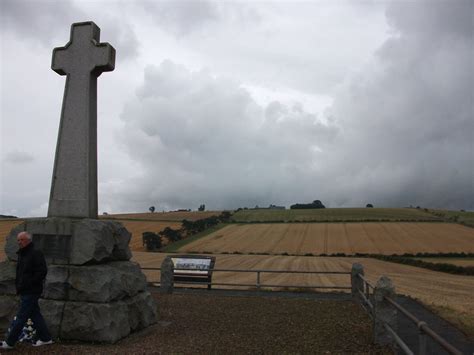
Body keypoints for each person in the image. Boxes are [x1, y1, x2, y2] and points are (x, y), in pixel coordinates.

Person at [1, 231, 53, 349]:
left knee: (21, 316)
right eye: (18, 240)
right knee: (35, 315)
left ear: (28, 240)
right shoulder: (22, 254)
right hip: (25, 289)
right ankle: (46, 338)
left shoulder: (35, 253)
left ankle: (10, 342)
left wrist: (29, 283)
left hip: (31, 290)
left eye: (22, 240)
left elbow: (42, 271)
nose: (19, 242)